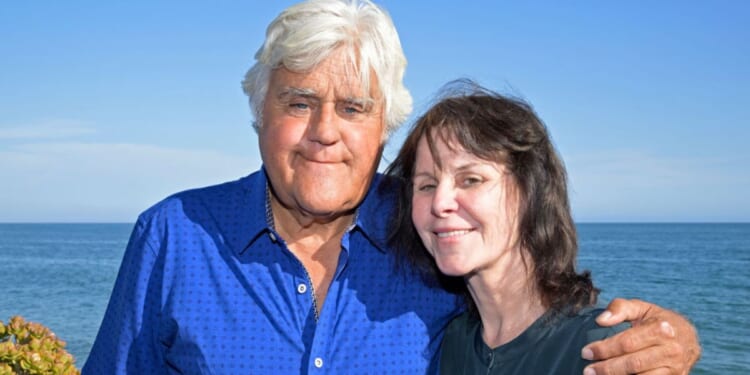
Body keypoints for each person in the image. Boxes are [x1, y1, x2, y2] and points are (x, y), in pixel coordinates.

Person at [83, 0, 700, 374]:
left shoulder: (430, 227)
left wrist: (666, 341)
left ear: (383, 129)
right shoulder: (175, 235)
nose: (325, 133)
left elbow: (529, 313)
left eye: (353, 108)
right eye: (299, 102)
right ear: (259, 115)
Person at [386, 80, 637, 374]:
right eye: (426, 185)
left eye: (471, 180)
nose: (440, 203)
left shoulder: (603, 349)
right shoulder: (453, 342)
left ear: (530, 191)